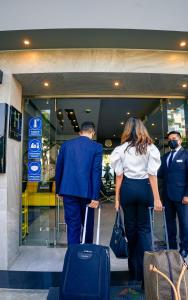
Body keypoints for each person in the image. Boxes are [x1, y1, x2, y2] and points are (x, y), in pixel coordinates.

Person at [110, 117, 162, 284]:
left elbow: (119, 176)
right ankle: (147, 274)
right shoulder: (150, 148)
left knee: (131, 231)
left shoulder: (121, 149)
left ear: (127, 130)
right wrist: (157, 199)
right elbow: (152, 175)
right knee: (145, 230)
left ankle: (134, 275)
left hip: (127, 189)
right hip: (144, 188)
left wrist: (117, 200)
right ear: (142, 129)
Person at [55, 121, 103, 245]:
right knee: (87, 225)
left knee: (72, 226)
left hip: (68, 191)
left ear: (80, 132)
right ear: (92, 132)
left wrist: (59, 189)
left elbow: (59, 168)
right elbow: (96, 172)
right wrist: (95, 196)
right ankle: (86, 254)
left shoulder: (66, 145)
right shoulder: (96, 147)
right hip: (87, 193)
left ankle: (73, 257)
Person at [158, 131, 188, 258]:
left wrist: (187, 194)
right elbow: (160, 175)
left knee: (184, 224)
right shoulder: (165, 157)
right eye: (169, 139)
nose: (171, 141)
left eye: (174, 138)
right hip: (167, 197)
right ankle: (172, 248)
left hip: (182, 196)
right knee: (169, 224)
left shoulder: (186, 154)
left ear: (180, 140)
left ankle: (185, 248)